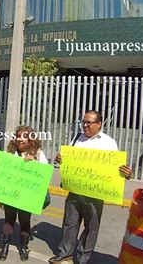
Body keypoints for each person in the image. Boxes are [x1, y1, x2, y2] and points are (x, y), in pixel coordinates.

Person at [49, 110, 132, 264]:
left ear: (99, 124)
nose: (85, 125)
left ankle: (83, 258)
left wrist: (126, 173)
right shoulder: (76, 138)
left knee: (91, 228)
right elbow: (67, 160)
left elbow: (117, 169)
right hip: (75, 190)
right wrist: (60, 158)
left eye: (89, 122)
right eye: (83, 122)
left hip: (95, 194)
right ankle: (65, 252)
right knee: (69, 223)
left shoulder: (108, 143)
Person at [0, 125, 49, 261]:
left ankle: (24, 246)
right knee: (8, 221)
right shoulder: (10, 152)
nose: (20, 139)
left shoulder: (38, 154)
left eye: (24, 137)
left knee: (24, 222)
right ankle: (5, 246)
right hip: (10, 195)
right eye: (18, 136)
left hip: (27, 197)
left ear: (31, 140)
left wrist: (34, 163)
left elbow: (44, 175)